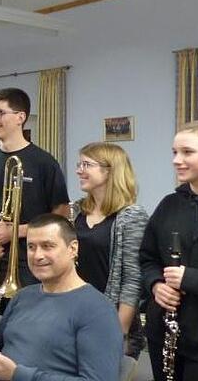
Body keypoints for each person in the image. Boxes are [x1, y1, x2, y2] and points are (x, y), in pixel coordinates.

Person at [0, 213, 122, 381]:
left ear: (73, 249)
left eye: (47, 246)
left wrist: (16, 374)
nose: (37, 255)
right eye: (31, 247)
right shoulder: (22, 297)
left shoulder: (98, 310)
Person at [139, 121, 198, 380]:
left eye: (187, 152)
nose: (177, 160)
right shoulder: (170, 205)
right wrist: (156, 284)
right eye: (174, 152)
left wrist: (192, 280)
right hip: (165, 338)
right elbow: (147, 259)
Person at [0, 88, 69, 290]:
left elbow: (61, 217)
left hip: (30, 264)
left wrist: (15, 232)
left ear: (20, 117)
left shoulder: (45, 163)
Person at [70, 142, 148, 360]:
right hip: (75, 314)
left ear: (110, 170)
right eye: (79, 164)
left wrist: (117, 332)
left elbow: (133, 279)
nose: (79, 170)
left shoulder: (131, 216)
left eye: (86, 164)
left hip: (110, 320)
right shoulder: (76, 211)